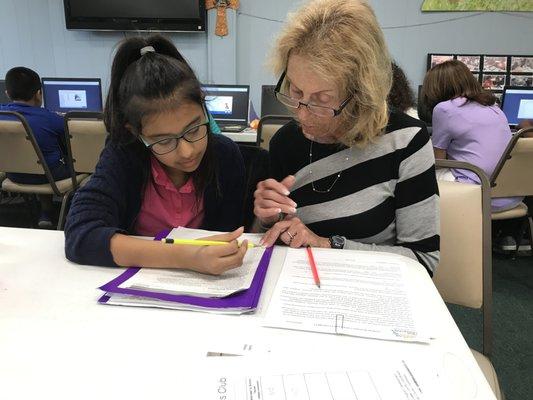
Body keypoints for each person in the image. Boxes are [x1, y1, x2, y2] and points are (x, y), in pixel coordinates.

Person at [253, 0, 440, 275]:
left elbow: (424, 261)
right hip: (298, 291)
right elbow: (276, 240)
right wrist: (267, 220)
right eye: (294, 91)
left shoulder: (406, 141)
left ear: (362, 94)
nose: (302, 116)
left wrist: (327, 245)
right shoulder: (285, 142)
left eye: (322, 100)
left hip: (369, 291)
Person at [64, 35, 247, 274]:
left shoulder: (225, 155)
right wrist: (188, 257)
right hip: (140, 279)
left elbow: (228, 234)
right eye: (163, 141)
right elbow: (82, 235)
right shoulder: (124, 155)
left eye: (193, 129)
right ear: (137, 134)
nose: (187, 151)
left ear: (204, 108)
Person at [422, 60, 523, 212]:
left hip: (479, 195)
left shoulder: (444, 109)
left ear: (436, 87)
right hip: (511, 196)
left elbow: (438, 161)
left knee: (419, 177)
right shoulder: (493, 107)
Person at [0, 67, 70, 228]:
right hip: (51, 177)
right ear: (39, 94)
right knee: (84, 163)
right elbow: (69, 130)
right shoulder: (50, 118)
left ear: (8, 94)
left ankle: (45, 212)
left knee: (41, 161)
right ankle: (73, 212)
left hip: (14, 175)